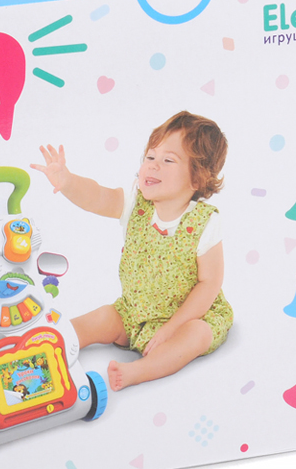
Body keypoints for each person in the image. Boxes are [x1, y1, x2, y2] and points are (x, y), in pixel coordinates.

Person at [31, 111, 232, 391]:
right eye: (150, 157)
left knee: (196, 335)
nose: (153, 166)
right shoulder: (135, 204)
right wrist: (67, 181)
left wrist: (171, 329)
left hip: (187, 317)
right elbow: (98, 196)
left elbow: (209, 283)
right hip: (134, 313)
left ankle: (138, 371)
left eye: (168, 160)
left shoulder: (203, 222)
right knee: (103, 317)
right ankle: (50, 340)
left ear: (197, 179)